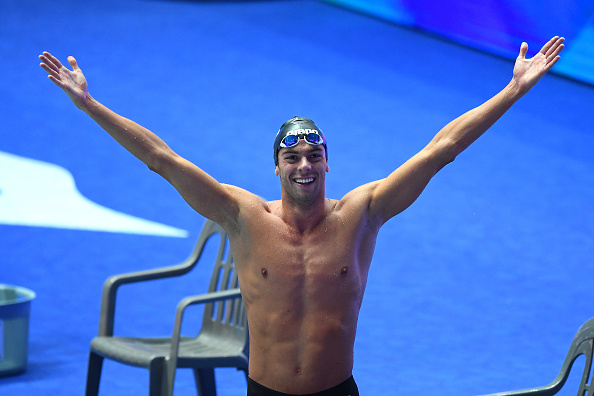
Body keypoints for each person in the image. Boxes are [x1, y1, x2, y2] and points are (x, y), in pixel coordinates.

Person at [39, 35, 564, 396]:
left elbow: (440, 150)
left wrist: (513, 91)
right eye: (292, 157)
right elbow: (163, 159)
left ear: (328, 162)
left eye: (314, 156)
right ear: (276, 168)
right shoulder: (242, 216)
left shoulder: (364, 213)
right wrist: (89, 104)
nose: (305, 166)